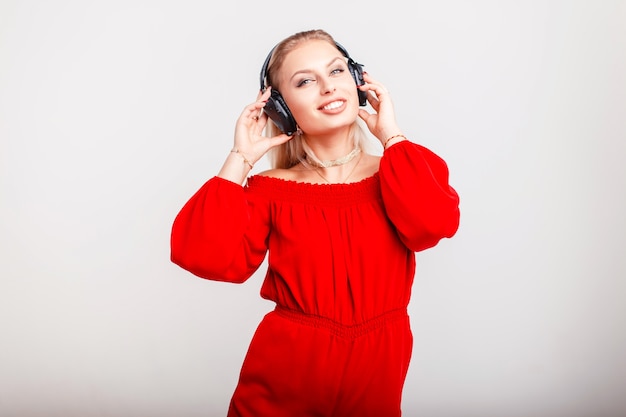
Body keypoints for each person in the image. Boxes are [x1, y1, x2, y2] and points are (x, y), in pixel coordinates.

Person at [170, 29, 460, 417]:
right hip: (285, 373)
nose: (327, 87)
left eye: (337, 71)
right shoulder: (269, 190)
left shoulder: (400, 173)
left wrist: (391, 134)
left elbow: (433, 224)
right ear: (281, 108)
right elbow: (203, 256)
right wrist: (239, 158)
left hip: (378, 371)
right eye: (305, 81)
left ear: (358, 83)